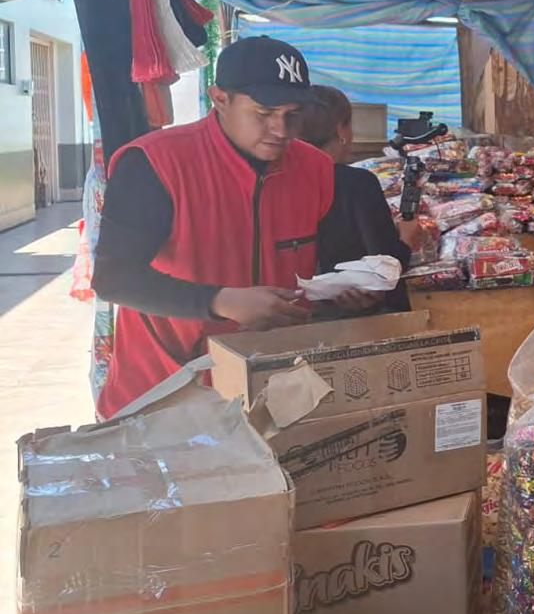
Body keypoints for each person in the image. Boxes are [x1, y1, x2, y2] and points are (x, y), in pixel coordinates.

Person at [92, 36, 377, 419]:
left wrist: (347, 289)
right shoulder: (154, 163)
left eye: (293, 115)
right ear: (220, 99)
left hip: (274, 390)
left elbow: (327, 263)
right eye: (264, 112)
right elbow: (114, 279)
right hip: (165, 393)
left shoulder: (315, 169)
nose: (281, 129)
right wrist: (222, 302)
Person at [297, 85, 413, 313]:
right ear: (341, 131)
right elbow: (386, 266)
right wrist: (408, 239)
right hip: (354, 319)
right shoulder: (357, 183)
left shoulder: (281, 183)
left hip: (294, 310)